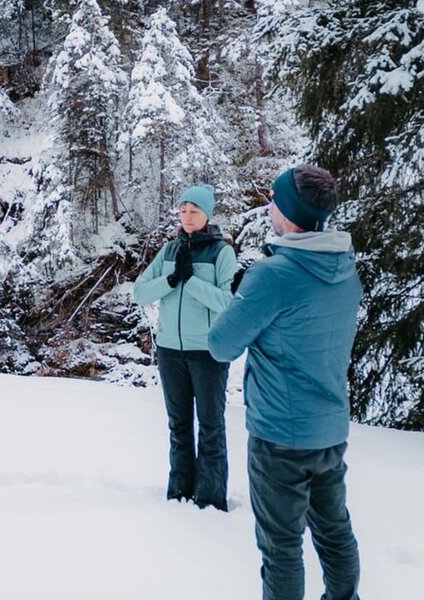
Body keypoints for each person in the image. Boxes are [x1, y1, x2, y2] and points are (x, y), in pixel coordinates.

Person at [209, 165, 362, 600]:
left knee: (281, 546)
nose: (270, 206)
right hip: (330, 429)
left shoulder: (273, 275)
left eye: (274, 200)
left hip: (280, 436)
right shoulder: (345, 267)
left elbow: (222, 345)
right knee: (334, 531)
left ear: (289, 212)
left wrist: (245, 297)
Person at [133, 184, 238, 511]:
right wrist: (171, 279)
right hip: (169, 351)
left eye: (194, 211)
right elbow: (140, 293)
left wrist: (191, 282)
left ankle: (209, 500)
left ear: (207, 214)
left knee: (210, 426)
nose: (187, 216)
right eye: (183, 210)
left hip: (207, 353)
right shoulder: (168, 251)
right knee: (178, 426)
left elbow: (228, 302)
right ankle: (178, 494)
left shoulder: (222, 253)